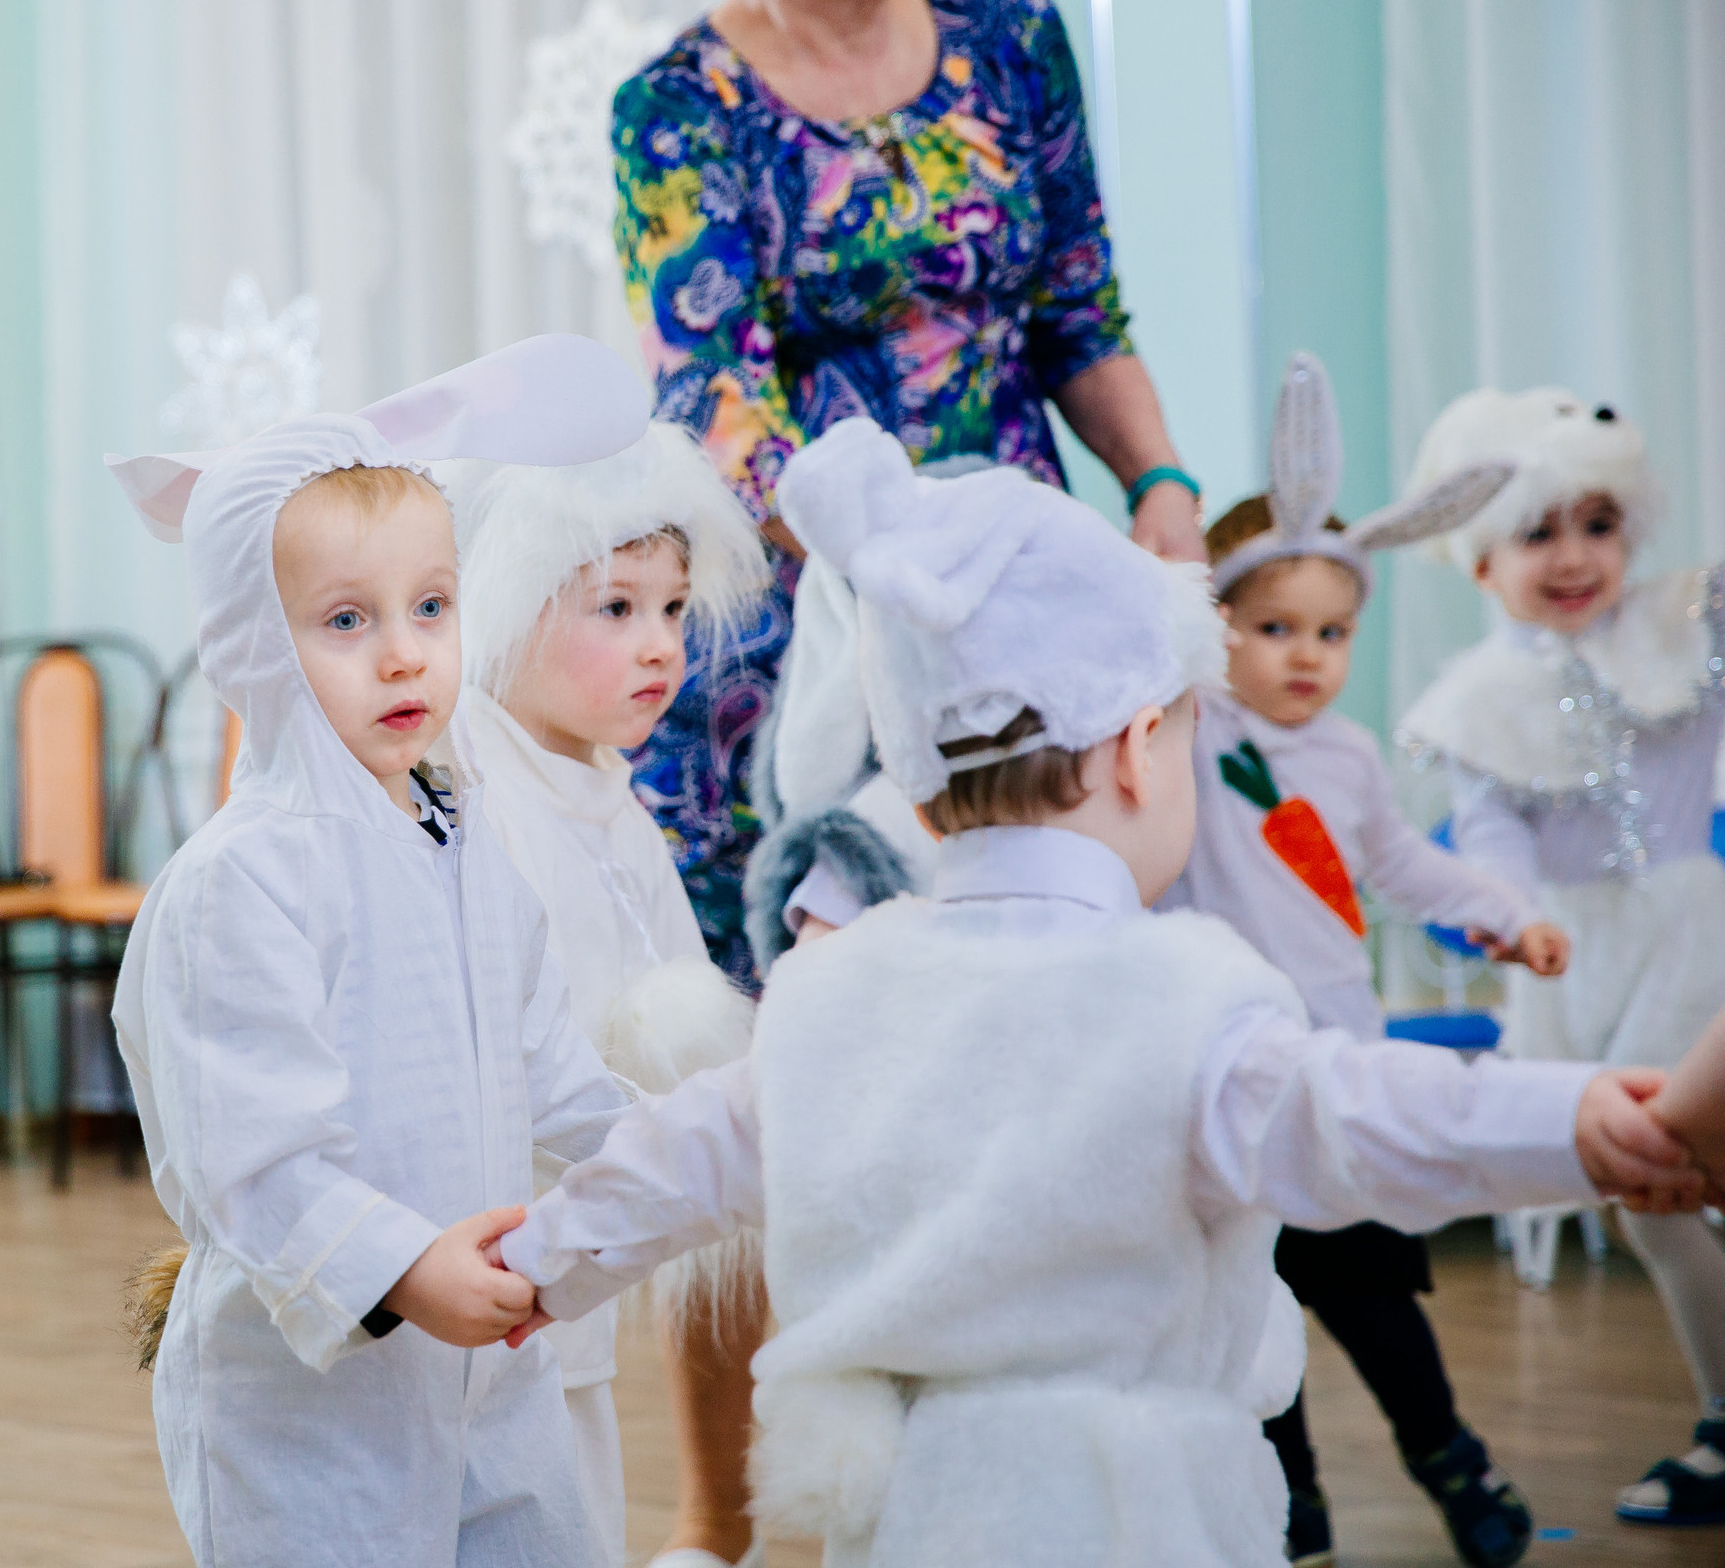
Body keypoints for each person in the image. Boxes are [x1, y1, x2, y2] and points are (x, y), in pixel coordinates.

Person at [495, 421, 1707, 1568]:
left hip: (909, 1515)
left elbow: (683, 1151)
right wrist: (1583, 1122)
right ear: (1137, 746)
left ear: (917, 797)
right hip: (1138, 1515)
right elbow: (1370, 1116)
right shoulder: (1184, 996)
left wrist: (530, 1263)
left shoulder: (831, 995)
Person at [104, 337, 644, 1568]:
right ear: (254, 642)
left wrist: (677, 1155)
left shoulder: (468, 846)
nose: (404, 652)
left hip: (495, 1380)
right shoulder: (239, 885)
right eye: (347, 620)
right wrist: (401, 1270)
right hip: (310, 1406)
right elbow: (248, 1160)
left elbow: (553, 1070)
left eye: (431, 607)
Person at [619, 0, 1208, 981]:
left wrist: (1161, 490)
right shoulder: (678, 107)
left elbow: (1080, 313)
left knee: (1040, 967)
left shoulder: (1010, 33)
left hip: (1018, 598)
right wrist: (896, 565)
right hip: (809, 617)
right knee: (822, 991)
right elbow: (715, 404)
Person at [1163, 354, 1569, 1567]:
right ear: (1212, 628)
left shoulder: (1344, 754)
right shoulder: (1186, 734)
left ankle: (1448, 1458)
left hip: (1336, 1069)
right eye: (1274, 627)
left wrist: (1501, 911)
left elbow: (1402, 866)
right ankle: (1292, 1507)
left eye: (1332, 632)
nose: (1307, 655)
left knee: (1375, 1295)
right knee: (1251, 1315)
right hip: (1223, 1081)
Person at [1397, 387, 1725, 1528]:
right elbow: (1489, 842)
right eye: (1537, 533)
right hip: (1576, 959)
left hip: (1697, 940)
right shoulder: (1477, 705)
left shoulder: (1690, 625)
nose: (1575, 556)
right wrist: (1506, 915)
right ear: (1481, 562)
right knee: (1652, 1195)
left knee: (1664, 1164)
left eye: (1597, 523)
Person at [449, 426, 772, 1568]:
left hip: (569, 1252)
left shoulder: (615, 805)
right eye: (615, 608)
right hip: (479, 1244)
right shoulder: (468, 786)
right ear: (512, 601)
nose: (660, 647)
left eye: (673, 610)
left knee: (567, 1490)